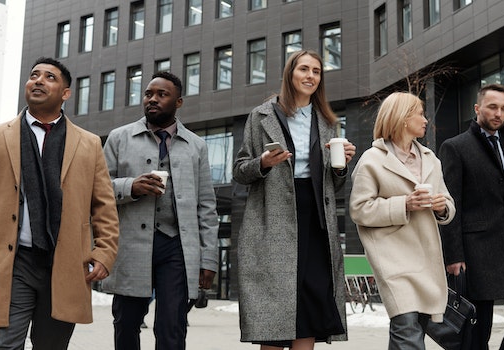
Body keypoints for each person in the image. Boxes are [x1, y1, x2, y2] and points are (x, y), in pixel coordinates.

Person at [0, 57, 120, 348]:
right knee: (3, 344)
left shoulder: (88, 144)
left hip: (66, 264)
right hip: (12, 262)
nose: (39, 81)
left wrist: (105, 251)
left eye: (50, 77)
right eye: (34, 75)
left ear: (66, 93)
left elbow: (103, 205)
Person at [234, 49, 354, 349]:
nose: (310, 76)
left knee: (311, 303)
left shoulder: (327, 121)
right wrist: (262, 162)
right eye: (304, 69)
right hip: (272, 219)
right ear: (290, 73)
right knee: (274, 311)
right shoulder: (261, 116)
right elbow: (239, 171)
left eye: (316, 71)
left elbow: (333, 186)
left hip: (315, 220)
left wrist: (340, 167)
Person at [101, 71, 218, 350]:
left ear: (178, 102)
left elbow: (206, 206)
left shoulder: (196, 146)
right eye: (148, 94)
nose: (152, 99)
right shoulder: (119, 138)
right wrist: (131, 186)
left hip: (176, 246)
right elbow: (97, 189)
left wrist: (209, 259)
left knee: (172, 327)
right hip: (131, 245)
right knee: (126, 322)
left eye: (161, 95)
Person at [437, 83, 504, 349]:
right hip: (475, 251)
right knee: (478, 330)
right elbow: (451, 206)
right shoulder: (455, 147)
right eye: (493, 107)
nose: (499, 113)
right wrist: (453, 255)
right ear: (477, 108)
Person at [349, 92, 455, 349]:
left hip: (426, 257)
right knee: (407, 328)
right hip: (392, 258)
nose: (425, 119)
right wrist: (404, 204)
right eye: (419, 113)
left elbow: (448, 204)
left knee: (414, 328)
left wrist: (442, 207)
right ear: (402, 117)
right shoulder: (372, 160)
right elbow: (359, 209)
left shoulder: (431, 159)